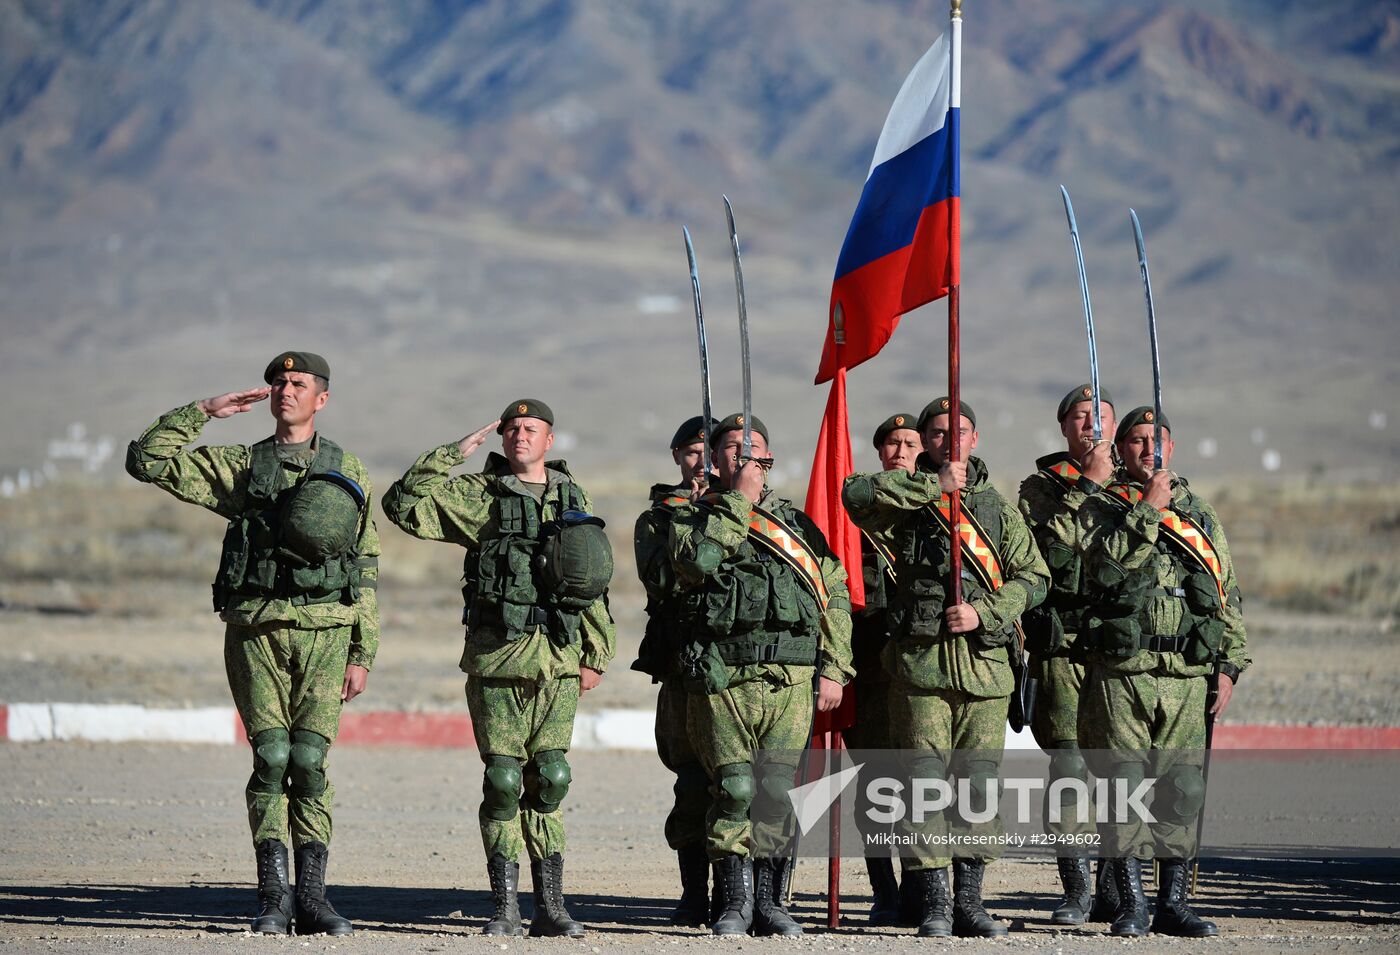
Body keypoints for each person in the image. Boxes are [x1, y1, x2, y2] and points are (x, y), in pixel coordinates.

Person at [126, 351, 376, 936]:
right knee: (271, 759)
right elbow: (146, 461)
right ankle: (273, 897)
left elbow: (365, 563)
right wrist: (203, 412)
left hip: (327, 632)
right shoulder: (243, 466)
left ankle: (313, 898)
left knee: (310, 763)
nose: (284, 389)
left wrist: (363, 652)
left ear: (322, 398)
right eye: (277, 382)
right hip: (255, 628)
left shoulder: (349, 469)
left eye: (298, 383)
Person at [381, 399, 616, 939]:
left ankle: (552, 905)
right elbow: (401, 506)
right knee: (504, 781)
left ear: (549, 440)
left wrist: (596, 652)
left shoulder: (573, 497)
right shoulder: (478, 498)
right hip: (497, 657)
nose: (519, 436)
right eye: (510, 429)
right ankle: (505, 906)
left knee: (551, 778)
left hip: (557, 656)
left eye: (530, 429)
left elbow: (592, 582)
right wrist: (450, 454)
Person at [843, 397, 1048, 938]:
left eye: (958, 432)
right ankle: (932, 903)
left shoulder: (999, 509)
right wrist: (936, 488)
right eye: (937, 434)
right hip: (921, 669)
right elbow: (857, 497)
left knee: (978, 788)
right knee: (923, 785)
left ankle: (969, 903)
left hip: (984, 670)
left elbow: (1034, 577)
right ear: (927, 443)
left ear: (974, 438)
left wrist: (986, 611)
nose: (947, 441)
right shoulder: (909, 499)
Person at [667, 413, 853, 937]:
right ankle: (733, 901)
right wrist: (736, 506)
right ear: (716, 457)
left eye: (752, 450)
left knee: (775, 789)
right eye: (730, 448)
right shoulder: (692, 518)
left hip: (790, 676)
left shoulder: (797, 525)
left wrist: (835, 668)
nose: (741, 456)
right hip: (724, 676)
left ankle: (770, 901)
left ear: (767, 460)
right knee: (732, 787)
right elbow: (691, 567)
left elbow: (833, 595)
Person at [1074, 406, 1249, 938]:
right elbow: (1099, 571)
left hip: (1186, 672)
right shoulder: (1100, 506)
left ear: (1171, 449)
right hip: (1122, 669)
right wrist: (1148, 511)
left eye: (1158, 440)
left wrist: (1231, 666)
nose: (1149, 449)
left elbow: (1227, 594)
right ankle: (1131, 903)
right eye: (1137, 440)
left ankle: (1173, 901)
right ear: (1120, 449)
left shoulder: (1199, 513)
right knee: (1123, 786)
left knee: (1182, 789)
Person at [1016, 384, 1118, 924]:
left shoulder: (1136, 491)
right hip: (1063, 647)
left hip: (1121, 653)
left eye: (1101, 417)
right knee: (1072, 766)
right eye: (1081, 418)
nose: (1092, 428)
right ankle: (1077, 888)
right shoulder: (1040, 489)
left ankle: (1117, 886)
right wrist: (1088, 487)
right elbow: (1049, 553)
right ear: (1063, 428)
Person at [631, 415, 715, 926]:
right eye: (690, 452)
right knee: (692, 784)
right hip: (685, 665)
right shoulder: (657, 519)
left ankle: (746, 897)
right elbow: (666, 578)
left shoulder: (753, 515)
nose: (701, 462)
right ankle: (693, 893)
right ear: (676, 457)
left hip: (743, 669)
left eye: (711, 452)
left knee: (749, 785)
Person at [842, 413, 919, 926]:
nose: (901, 450)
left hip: (920, 671)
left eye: (911, 443)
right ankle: (884, 891)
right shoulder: (861, 511)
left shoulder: (940, 512)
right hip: (870, 670)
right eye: (891, 443)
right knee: (876, 788)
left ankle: (921, 890)